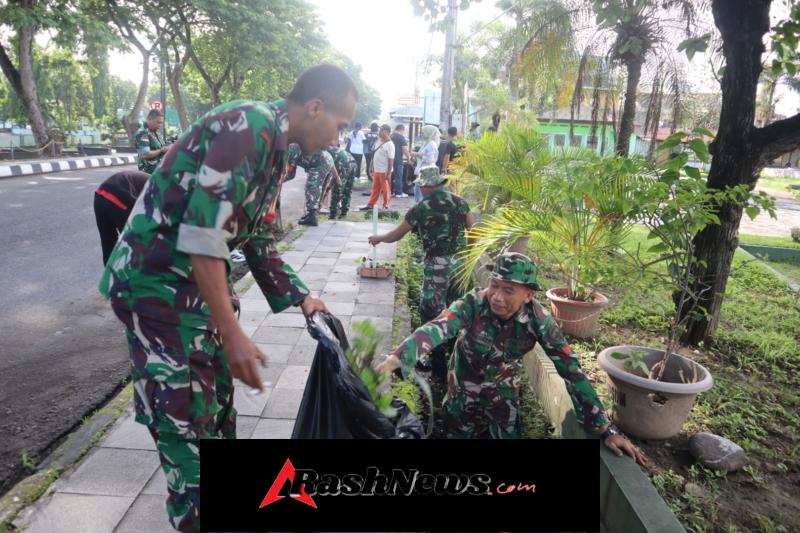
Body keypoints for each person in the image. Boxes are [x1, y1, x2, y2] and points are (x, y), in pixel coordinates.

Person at [98, 64, 357, 532]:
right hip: (155, 291)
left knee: (216, 410)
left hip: (190, 294)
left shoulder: (276, 152)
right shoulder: (250, 125)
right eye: (340, 126)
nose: (339, 140)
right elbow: (202, 234)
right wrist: (233, 330)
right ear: (315, 107)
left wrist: (303, 297)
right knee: (186, 426)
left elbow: (257, 239)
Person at [376, 253, 645, 461]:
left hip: (502, 386)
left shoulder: (539, 321)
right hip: (463, 381)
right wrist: (398, 357)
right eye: (495, 285)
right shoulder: (472, 304)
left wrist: (605, 429)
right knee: (457, 433)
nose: (497, 296)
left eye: (508, 290)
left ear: (528, 295)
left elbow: (570, 369)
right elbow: (437, 327)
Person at [369, 165, 473, 377]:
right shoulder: (460, 202)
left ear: (426, 186)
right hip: (461, 264)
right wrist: (467, 255)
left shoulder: (421, 208)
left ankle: (437, 361)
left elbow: (397, 235)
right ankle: (457, 356)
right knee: (459, 308)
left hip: (437, 265)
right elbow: (474, 229)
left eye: (421, 185)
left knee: (431, 310)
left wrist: (378, 238)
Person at [93, 170, 149, 265]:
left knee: (108, 243)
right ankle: (137, 276)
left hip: (99, 196)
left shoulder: (157, 181)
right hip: (117, 198)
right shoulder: (166, 190)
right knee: (137, 242)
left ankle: (108, 277)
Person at [361, 124, 394, 210]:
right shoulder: (378, 141)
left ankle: (386, 206)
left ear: (386, 132)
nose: (379, 132)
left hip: (384, 171)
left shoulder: (390, 144)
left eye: (381, 130)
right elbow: (374, 154)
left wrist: (389, 172)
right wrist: (371, 166)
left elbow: (391, 160)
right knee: (375, 188)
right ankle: (370, 204)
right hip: (377, 170)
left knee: (385, 189)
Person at [326, 139, 357, 219]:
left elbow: (328, 171)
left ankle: (333, 214)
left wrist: (329, 186)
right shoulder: (333, 148)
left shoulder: (325, 150)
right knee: (347, 189)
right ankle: (344, 212)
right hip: (353, 162)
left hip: (343, 164)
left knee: (337, 189)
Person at [411, 125, 439, 202]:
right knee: (418, 192)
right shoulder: (427, 143)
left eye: (423, 132)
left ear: (428, 133)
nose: (421, 134)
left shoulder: (431, 144)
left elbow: (430, 160)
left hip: (427, 172)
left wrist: (417, 155)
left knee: (421, 194)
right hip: (422, 171)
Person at [135, 109, 169, 174]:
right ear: (150, 119)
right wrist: (161, 150)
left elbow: (162, 146)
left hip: (158, 171)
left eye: (161, 123)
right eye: (158, 122)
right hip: (148, 172)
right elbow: (146, 154)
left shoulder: (155, 133)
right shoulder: (143, 133)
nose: (160, 125)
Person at [391, 124, 411, 197]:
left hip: (389, 160)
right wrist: (409, 158)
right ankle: (399, 193)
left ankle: (390, 191)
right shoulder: (401, 137)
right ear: (401, 129)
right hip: (398, 160)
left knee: (391, 176)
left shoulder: (390, 136)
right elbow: (405, 149)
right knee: (398, 176)